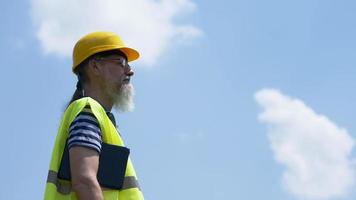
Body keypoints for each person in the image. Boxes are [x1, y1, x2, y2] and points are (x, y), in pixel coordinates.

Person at [44, 31, 144, 200]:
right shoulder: (87, 113)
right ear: (95, 66)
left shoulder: (98, 118)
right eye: (121, 62)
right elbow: (84, 181)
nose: (130, 70)